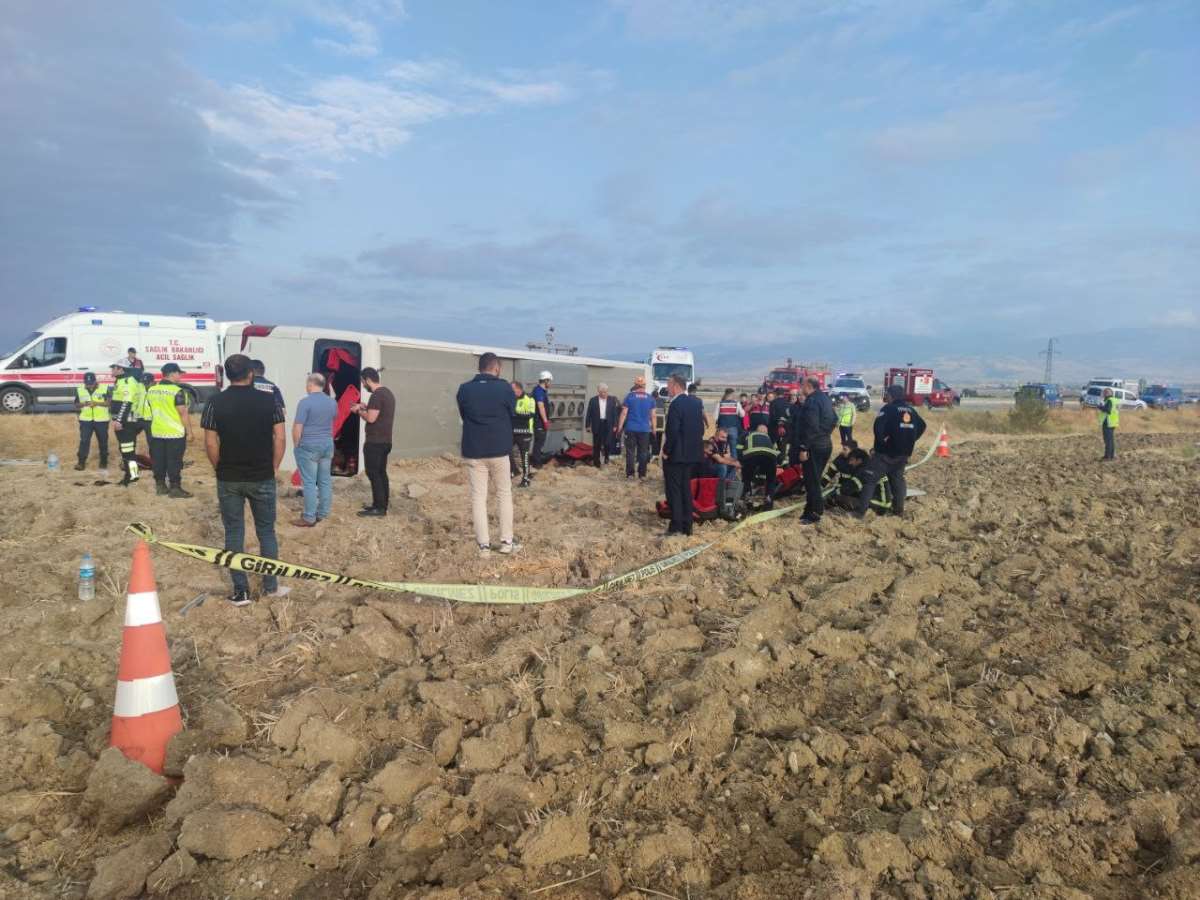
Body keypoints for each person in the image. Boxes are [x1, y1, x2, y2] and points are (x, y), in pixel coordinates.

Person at [201, 353, 289, 606]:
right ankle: (271, 586)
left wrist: (220, 467)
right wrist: (274, 467)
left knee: (234, 532)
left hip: (229, 477)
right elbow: (280, 438)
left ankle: (241, 592)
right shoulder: (268, 400)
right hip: (261, 475)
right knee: (266, 532)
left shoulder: (214, 402)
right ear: (251, 373)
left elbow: (210, 441)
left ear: (228, 375)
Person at [456, 352, 519, 557]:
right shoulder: (504, 388)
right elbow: (513, 412)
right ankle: (507, 542)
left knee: (478, 497)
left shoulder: (464, 389)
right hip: (499, 449)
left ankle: (483, 546)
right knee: (504, 494)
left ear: (479, 367)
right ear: (497, 368)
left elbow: (464, 415)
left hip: (474, 450)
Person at [853, 383, 927, 520]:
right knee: (897, 481)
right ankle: (898, 511)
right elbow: (922, 426)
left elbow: (878, 428)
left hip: (885, 454)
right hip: (903, 454)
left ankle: (860, 513)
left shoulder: (888, 409)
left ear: (891, 395)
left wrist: (880, 445)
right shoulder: (911, 410)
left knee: (869, 479)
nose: (886, 396)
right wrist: (910, 439)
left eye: (887, 394)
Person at [661, 374, 705, 537]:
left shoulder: (676, 404)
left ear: (676, 386)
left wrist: (666, 451)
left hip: (676, 455)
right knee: (686, 489)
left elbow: (672, 431)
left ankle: (676, 526)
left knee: (674, 491)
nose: (667, 388)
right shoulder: (696, 402)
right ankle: (688, 525)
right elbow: (700, 429)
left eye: (668, 385)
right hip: (692, 455)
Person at [292, 373, 338, 526]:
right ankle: (323, 513)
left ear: (311, 384)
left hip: (309, 446)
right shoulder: (332, 402)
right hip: (327, 445)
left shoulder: (305, 402)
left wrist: (296, 446)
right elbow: (333, 418)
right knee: (325, 480)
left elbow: (298, 427)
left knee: (310, 483)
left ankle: (309, 517)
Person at [791, 376, 837, 524]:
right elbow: (834, 419)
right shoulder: (825, 399)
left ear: (809, 386)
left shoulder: (812, 401)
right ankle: (808, 510)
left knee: (812, 481)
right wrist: (825, 433)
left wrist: (805, 447)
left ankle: (815, 513)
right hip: (824, 444)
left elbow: (810, 426)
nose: (800, 388)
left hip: (813, 447)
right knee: (813, 479)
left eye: (802, 385)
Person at [352, 367, 395, 516]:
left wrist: (358, 411)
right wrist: (365, 407)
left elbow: (371, 418)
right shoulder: (387, 393)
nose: (363, 385)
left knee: (373, 473)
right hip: (385, 441)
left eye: (363, 382)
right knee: (381, 473)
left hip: (375, 442)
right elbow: (377, 412)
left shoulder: (376, 395)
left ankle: (379, 508)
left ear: (368, 380)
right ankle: (381, 505)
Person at [146, 363, 193, 498]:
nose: (180, 376)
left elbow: (151, 407)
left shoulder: (151, 390)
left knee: (158, 460)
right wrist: (189, 432)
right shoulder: (177, 391)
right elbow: (182, 413)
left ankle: (160, 486)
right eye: (179, 373)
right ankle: (175, 488)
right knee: (174, 461)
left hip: (156, 431)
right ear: (172, 374)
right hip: (174, 432)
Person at [109, 361, 145, 485]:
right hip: (128, 419)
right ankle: (133, 475)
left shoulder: (127, 381)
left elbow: (126, 403)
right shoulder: (122, 381)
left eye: (113, 367)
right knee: (127, 449)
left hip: (127, 420)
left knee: (127, 450)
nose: (111, 370)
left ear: (121, 369)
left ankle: (130, 477)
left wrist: (119, 420)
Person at [617, 375, 657, 480]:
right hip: (644, 429)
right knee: (643, 452)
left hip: (630, 429)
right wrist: (654, 429)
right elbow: (653, 416)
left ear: (635, 385)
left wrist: (620, 427)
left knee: (630, 452)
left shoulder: (629, 396)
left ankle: (630, 474)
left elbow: (624, 413)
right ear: (644, 385)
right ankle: (642, 475)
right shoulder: (650, 398)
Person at [74, 372, 110, 471]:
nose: (89, 385)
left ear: (95, 381)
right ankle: (81, 462)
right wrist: (84, 404)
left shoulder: (105, 388)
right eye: (87, 383)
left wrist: (96, 403)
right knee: (84, 441)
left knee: (103, 442)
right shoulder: (80, 389)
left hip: (102, 420)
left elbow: (109, 403)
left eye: (91, 383)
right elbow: (76, 404)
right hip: (86, 420)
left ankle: (103, 461)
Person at [740, 424, 780, 508]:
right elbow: (776, 451)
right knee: (771, 480)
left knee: (747, 477)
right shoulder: (769, 437)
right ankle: (769, 500)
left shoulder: (748, 434)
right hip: (770, 457)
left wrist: (741, 462)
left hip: (751, 455)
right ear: (766, 432)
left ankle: (747, 497)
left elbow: (740, 447)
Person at [585, 383, 617, 467]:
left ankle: (606, 457)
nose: (604, 394)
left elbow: (615, 413)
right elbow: (589, 413)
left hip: (608, 423)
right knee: (596, 444)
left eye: (605, 392)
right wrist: (587, 425)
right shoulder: (593, 400)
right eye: (602, 392)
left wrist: (615, 425)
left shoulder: (612, 400)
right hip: (597, 423)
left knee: (607, 443)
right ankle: (597, 462)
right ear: (598, 392)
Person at [510, 381, 535, 487]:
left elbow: (530, 414)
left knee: (524, 456)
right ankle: (514, 471)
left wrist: (515, 413)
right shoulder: (511, 399)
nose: (510, 391)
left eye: (512, 389)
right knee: (506, 452)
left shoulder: (529, 399)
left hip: (525, 433)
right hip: (512, 432)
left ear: (519, 389)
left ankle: (526, 479)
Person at [531, 371, 553, 467]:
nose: (550, 383)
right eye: (550, 381)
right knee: (539, 442)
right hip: (539, 422)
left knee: (539, 442)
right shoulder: (539, 391)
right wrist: (545, 421)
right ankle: (537, 463)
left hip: (540, 421)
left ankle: (536, 459)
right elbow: (541, 407)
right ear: (546, 380)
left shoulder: (541, 390)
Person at [715, 389, 744, 459]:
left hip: (722, 429)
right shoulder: (736, 403)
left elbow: (715, 417)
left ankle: (723, 466)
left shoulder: (720, 403)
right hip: (733, 428)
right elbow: (742, 415)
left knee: (721, 448)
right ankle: (733, 468)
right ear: (732, 394)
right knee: (733, 449)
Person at [1100, 387, 1118, 460]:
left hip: (1108, 422)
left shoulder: (1110, 400)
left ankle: (1108, 456)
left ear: (1109, 393)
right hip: (1111, 422)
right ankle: (1111, 455)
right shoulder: (1113, 400)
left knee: (1108, 440)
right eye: (1104, 392)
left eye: (1105, 392)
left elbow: (1108, 410)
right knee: (1110, 440)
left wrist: (1100, 407)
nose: (1104, 394)